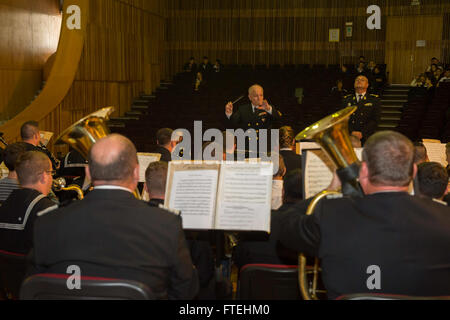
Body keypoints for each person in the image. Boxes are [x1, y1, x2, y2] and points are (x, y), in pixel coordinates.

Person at [276, 131, 450, 299]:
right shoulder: (445, 216)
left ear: (364, 171)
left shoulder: (330, 214)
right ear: (413, 172)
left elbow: (283, 224)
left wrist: (327, 191)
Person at [31, 134, 199, 300]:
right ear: (136, 173)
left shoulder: (47, 222)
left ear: (88, 172)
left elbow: (34, 287)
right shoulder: (166, 223)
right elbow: (185, 290)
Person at [144, 161, 215, 299]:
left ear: (146, 188)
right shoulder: (191, 221)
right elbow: (205, 273)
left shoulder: (136, 218)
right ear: (174, 184)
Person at [0, 151, 56, 254]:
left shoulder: (5, 205)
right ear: (44, 176)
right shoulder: (49, 209)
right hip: (34, 269)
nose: (52, 178)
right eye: (51, 173)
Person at [342, 75, 381, 143]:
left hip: (366, 136)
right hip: (349, 136)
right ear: (354, 84)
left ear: (367, 85)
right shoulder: (346, 99)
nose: (359, 81)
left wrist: (362, 133)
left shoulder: (374, 100)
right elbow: (342, 119)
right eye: (357, 80)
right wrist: (352, 132)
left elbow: (375, 120)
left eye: (362, 80)